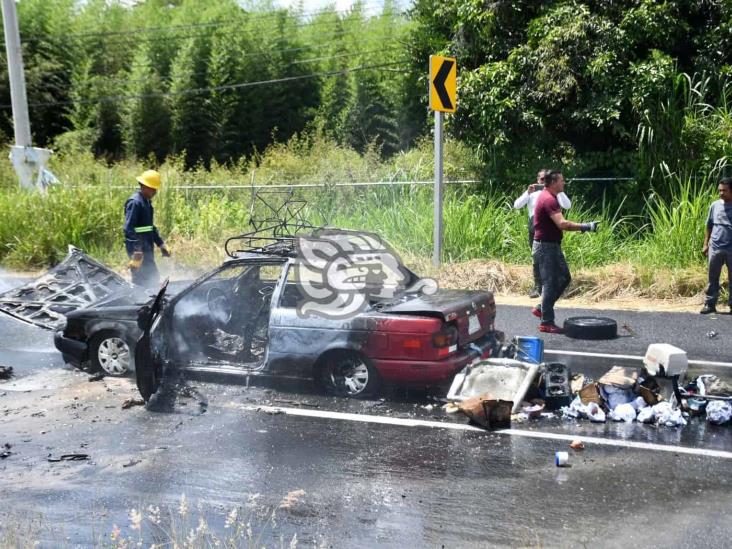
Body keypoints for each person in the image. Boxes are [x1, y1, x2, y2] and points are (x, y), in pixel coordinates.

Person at [531, 170, 598, 333]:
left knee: (565, 278)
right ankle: (546, 322)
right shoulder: (548, 199)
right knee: (550, 283)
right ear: (553, 183)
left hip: (551, 245)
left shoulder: (550, 197)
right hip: (545, 247)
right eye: (562, 180)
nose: (564, 183)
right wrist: (586, 226)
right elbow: (562, 224)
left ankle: (542, 307)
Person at [514, 169, 572, 298]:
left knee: (553, 257)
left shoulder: (553, 193)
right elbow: (517, 205)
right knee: (537, 258)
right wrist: (527, 192)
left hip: (551, 230)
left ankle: (552, 286)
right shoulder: (532, 194)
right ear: (537, 179)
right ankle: (538, 286)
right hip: (535, 229)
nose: (543, 182)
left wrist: (560, 192)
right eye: (541, 179)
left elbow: (567, 205)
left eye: (546, 179)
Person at [123, 169, 171, 288]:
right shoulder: (135, 203)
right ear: (143, 186)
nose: (155, 191)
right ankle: (139, 302)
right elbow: (128, 228)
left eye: (156, 188)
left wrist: (160, 244)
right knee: (140, 279)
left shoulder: (147, 202)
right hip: (138, 248)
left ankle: (151, 300)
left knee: (152, 276)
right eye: (152, 188)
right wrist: (137, 251)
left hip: (146, 246)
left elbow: (150, 227)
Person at [700, 177, 732, 314]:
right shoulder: (715, 205)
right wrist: (705, 244)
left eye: (724, 191)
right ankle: (710, 304)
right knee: (712, 278)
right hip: (716, 247)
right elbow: (709, 225)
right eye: (719, 190)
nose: (721, 193)